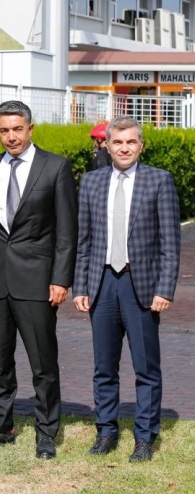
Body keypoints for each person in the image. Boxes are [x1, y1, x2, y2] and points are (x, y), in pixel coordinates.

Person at [0, 100, 78, 460]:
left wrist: (61, 278)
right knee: (0, 360)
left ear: (30, 128)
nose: (10, 136)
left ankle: (46, 433)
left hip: (37, 281)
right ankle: (1, 426)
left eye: (16, 129)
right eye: (3, 130)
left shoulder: (55, 167)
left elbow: (66, 231)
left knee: (43, 363)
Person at [73, 116, 181, 462]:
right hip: (102, 283)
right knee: (104, 366)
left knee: (146, 367)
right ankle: (105, 432)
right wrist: (80, 285)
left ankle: (145, 437)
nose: (124, 148)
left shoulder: (160, 181)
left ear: (141, 145)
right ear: (106, 145)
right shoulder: (91, 182)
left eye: (131, 142)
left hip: (142, 287)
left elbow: (170, 243)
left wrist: (164, 289)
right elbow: (84, 240)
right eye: (117, 142)